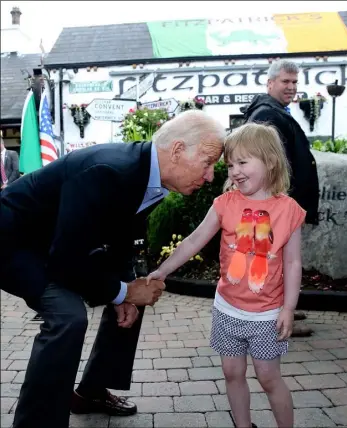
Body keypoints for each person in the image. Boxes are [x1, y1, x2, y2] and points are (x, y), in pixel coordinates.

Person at [0, 109, 226, 428]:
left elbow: (121, 240)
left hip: (57, 245)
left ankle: (91, 391)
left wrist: (128, 292)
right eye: (208, 162)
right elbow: (65, 261)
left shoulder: (151, 177)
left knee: (137, 294)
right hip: (15, 242)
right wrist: (121, 291)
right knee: (68, 315)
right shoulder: (109, 170)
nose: (210, 176)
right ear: (177, 150)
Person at [147, 123, 306, 428]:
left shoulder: (289, 211)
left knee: (269, 377)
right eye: (230, 164)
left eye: (243, 162)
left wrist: (288, 307)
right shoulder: (224, 204)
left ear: (270, 160)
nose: (234, 171)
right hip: (227, 310)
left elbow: (293, 263)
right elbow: (194, 241)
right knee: (232, 374)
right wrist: (162, 270)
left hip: (266, 315)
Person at [244, 59, 319, 226]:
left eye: (294, 82)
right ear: (270, 83)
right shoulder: (267, 115)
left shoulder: (274, 111)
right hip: (276, 211)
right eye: (285, 81)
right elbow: (264, 167)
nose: (291, 87)